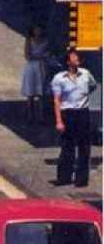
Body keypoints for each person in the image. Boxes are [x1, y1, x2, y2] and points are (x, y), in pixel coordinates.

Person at [51, 48, 97, 187]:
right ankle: (64, 177)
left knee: (84, 147)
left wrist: (83, 97)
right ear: (67, 61)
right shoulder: (59, 78)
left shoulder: (86, 74)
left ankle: (81, 179)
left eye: (77, 56)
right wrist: (59, 121)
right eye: (73, 56)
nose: (76, 58)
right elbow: (57, 100)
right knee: (67, 146)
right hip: (68, 113)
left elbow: (93, 86)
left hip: (82, 112)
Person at [21, 23, 53, 126]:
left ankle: (41, 117)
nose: (38, 31)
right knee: (30, 93)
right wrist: (40, 56)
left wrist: (42, 57)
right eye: (36, 29)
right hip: (31, 68)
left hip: (42, 67)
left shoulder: (46, 41)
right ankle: (30, 116)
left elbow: (49, 53)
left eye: (39, 29)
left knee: (41, 93)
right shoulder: (29, 40)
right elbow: (27, 55)